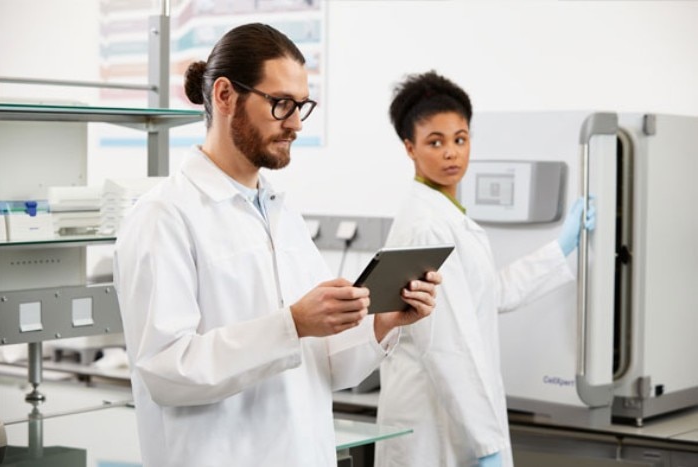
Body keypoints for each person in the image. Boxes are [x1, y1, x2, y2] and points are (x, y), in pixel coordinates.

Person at [113, 24, 441, 467]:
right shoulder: (164, 216)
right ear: (225, 96)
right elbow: (166, 373)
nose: (293, 124)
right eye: (281, 104)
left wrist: (381, 323)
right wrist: (291, 325)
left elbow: (326, 366)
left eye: (301, 106)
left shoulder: (283, 216)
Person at [373, 71, 596, 467]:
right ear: (410, 148)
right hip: (434, 422)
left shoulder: (447, 215)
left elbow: (489, 292)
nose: (451, 154)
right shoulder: (426, 225)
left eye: (460, 139)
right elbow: (445, 344)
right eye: (435, 142)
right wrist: (485, 444)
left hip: (454, 415)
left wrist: (561, 248)